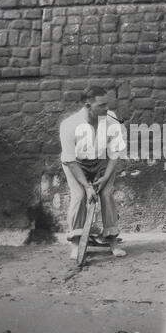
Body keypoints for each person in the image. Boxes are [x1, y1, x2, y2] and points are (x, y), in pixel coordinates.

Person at [59, 86, 127, 259]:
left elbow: (114, 154)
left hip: (102, 162)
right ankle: (76, 244)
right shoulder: (69, 125)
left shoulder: (111, 120)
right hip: (76, 164)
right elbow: (71, 160)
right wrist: (87, 187)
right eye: (102, 105)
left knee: (106, 194)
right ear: (87, 105)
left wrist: (105, 177)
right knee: (80, 196)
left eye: (107, 104)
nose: (107, 109)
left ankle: (112, 241)